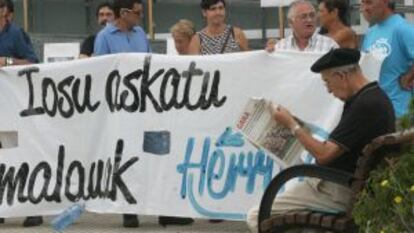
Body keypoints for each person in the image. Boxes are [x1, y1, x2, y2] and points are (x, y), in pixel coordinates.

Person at [246, 48, 396, 232]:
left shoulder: (365, 105)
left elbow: (324, 155)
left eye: (327, 82)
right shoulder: (374, 96)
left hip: (340, 190)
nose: (328, 90)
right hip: (351, 184)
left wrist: (292, 125)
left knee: (256, 216)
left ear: (341, 76)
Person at [361, 0, 414, 118]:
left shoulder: (402, 28)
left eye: (369, 2)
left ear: (385, 1)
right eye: (362, 3)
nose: (364, 8)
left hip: (400, 113)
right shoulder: (370, 32)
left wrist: (409, 76)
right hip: (376, 112)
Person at [266, 0, 338, 52]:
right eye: (303, 16)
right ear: (291, 22)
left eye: (312, 15)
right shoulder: (280, 47)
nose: (309, 20)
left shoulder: (330, 46)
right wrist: (269, 55)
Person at [0, 0, 38, 67]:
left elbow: (32, 61)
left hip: (11, 77)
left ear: (4, 11)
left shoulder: (15, 33)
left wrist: (7, 61)